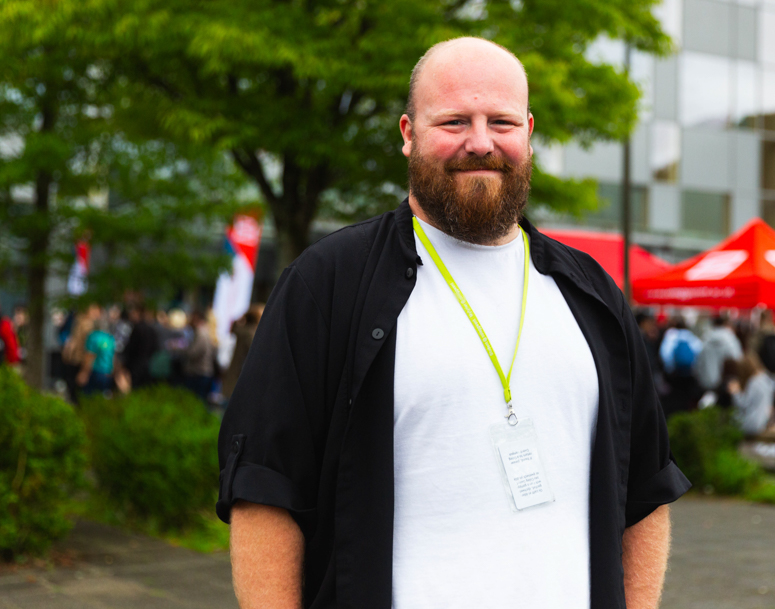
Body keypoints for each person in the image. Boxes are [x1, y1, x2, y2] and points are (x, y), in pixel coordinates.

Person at [218, 38, 690, 609]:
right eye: (454, 121)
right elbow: (265, 491)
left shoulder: (590, 293)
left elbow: (646, 489)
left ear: (529, 133)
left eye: (502, 121)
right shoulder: (326, 284)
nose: (481, 142)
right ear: (408, 133)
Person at [220, 305, 263, 400]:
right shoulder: (252, 335)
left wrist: (244, 315)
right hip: (241, 376)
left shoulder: (242, 331)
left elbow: (233, 326)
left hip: (234, 373)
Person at [694, 314, 743, 393]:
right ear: (725, 323)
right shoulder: (731, 339)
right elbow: (738, 359)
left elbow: (697, 363)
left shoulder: (705, 339)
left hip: (706, 382)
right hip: (727, 384)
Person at [728, 354, 775, 435]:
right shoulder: (766, 379)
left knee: (732, 418)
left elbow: (743, 404)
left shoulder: (753, 382)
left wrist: (735, 392)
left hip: (753, 424)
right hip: (763, 421)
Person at [122, 304, 161, 390]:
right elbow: (157, 347)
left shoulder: (137, 328)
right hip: (148, 364)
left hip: (135, 364)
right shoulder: (152, 329)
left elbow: (130, 348)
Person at [76, 317, 116, 395]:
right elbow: (113, 357)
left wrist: (84, 373)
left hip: (95, 372)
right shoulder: (110, 338)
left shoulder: (93, 336)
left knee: (88, 397)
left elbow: (90, 356)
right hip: (107, 373)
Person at [183, 310, 216, 402]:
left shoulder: (201, 333)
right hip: (201, 371)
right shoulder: (206, 331)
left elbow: (194, 353)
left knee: (196, 401)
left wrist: (183, 350)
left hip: (199, 372)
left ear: (196, 318)